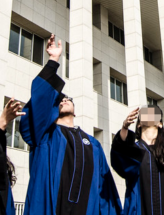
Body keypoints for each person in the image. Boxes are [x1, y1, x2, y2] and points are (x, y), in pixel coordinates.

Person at [19, 35, 121, 215]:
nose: (64, 99)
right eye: (59, 99)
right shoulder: (44, 135)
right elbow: (38, 102)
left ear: (75, 110)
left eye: (68, 99)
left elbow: (105, 189)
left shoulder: (92, 144)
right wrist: (53, 60)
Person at [110, 105, 164, 215]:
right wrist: (124, 127)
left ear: (160, 124)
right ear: (139, 124)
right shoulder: (134, 151)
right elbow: (118, 161)